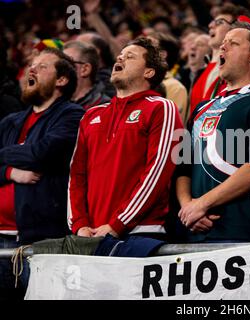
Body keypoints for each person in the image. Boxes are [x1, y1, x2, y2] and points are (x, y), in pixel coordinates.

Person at [176, 21, 250, 243]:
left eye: (233, 43)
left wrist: (202, 204)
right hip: (193, 228)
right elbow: (182, 167)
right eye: (223, 43)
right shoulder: (202, 107)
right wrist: (188, 207)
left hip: (241, 229)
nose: (222, 47)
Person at [68, 38, 183, 240]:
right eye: (120, 56)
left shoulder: (160, 108)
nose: (120, 58)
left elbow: (158, 171)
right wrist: (79, 224)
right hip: (90, 234)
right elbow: (76, 175)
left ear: (149, 71)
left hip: (139, 231)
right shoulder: (91, 115)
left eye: (130, 56)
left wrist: (118, 223)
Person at [0, 48, 84, 297]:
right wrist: (11, 173)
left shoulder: (72, 115)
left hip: (41, 240)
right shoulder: (11, 121)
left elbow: (43, 153)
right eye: (31, 65)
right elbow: (33, 154)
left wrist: (4, 154)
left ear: (62, 80)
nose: (31, 69)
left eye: (42, 66)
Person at [189, 4, 250, 115]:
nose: (210, 25)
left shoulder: (236, 70)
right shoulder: (201, 71)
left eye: (219, 22)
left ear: (235, 28)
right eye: (212, 22)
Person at [63, 41, 110, 110]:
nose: (59, 68)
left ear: (85, 69)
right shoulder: (54, 102)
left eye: (66, 63)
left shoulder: (104, 108)